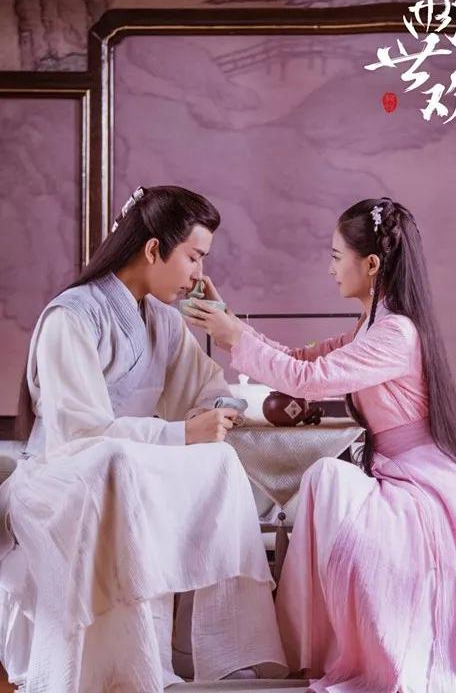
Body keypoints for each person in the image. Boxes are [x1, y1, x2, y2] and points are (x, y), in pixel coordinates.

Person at [185, 197, 456, 693]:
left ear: (370, 264)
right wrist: (230, 324)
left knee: (327, 479)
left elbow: (308, 379)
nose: (330, 269)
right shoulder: (371, 327)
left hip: (419, 481)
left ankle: (336, 649)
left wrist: (236, 335)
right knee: (326, 480)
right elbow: (300, 360)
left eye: (335, 256)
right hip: (396, 470)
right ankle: (306, 650)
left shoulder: (395, 334)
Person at [0, 185, 287, 692]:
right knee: (117, 463)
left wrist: (214, 409)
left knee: (216, 461)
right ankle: (110, 672)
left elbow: (211, 390)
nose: (199, 273)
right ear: (154, 249)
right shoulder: (72, 316)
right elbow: (80, 434)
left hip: (122, 476)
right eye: (194, 257)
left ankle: (224, 655)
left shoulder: (163, 322)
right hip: (59, 482)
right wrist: (181, 432)